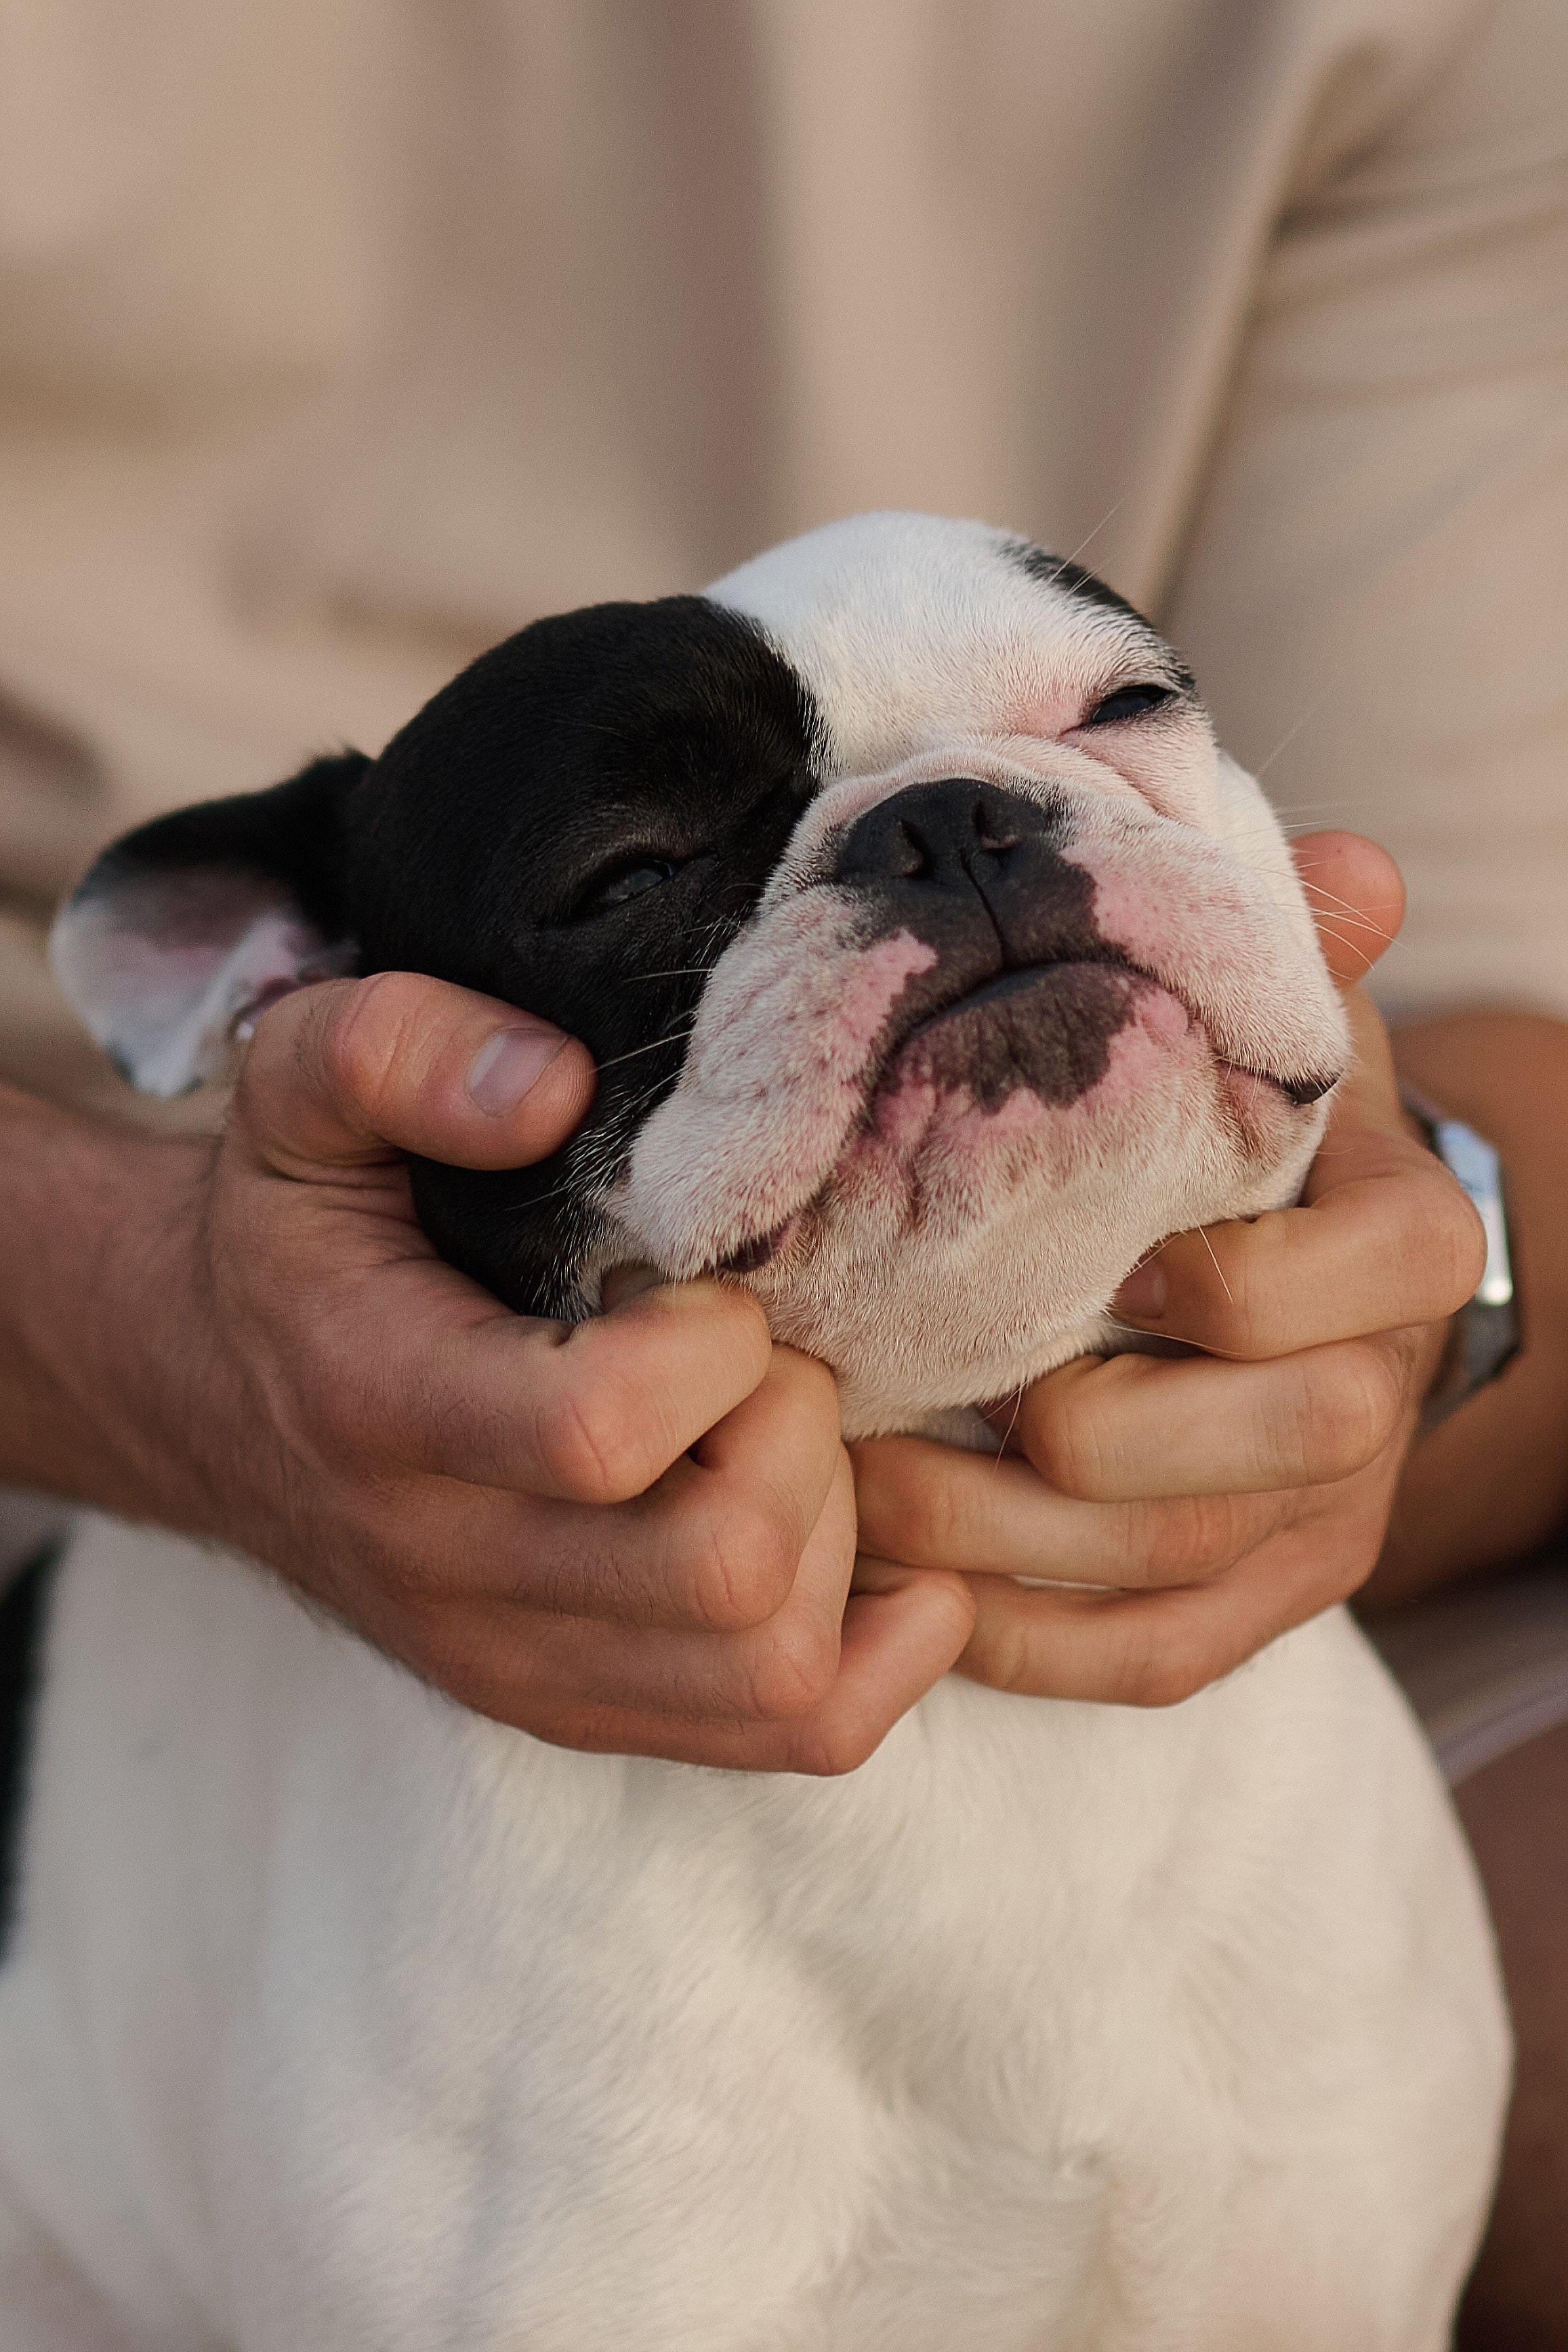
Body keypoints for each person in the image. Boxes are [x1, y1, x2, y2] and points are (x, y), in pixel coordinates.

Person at [1, 3, 1565, 2337]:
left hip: (1278, 1667)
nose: (965, 853)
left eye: (1116, 717)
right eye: (637, 877)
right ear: (269, 984)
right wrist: (138, 1334)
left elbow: (1518, 1010)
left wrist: (1444, 1273)